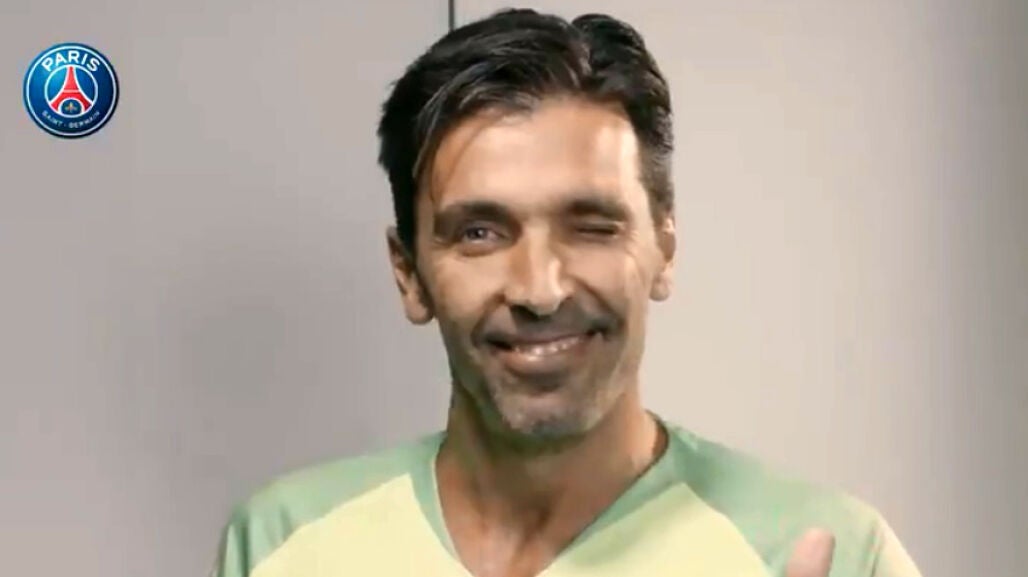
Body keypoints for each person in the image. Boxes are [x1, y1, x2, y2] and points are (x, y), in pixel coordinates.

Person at [210, 9, 923, 577]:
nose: (540, 289)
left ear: (664, 247)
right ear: (409, 273)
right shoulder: (282, 544)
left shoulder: (830, 552)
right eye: (480, 233)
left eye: (591, 226)